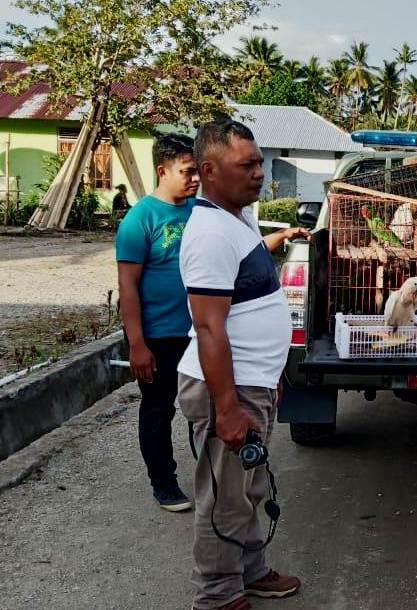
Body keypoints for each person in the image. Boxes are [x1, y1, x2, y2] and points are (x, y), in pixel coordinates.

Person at [177, 119, 310, 610]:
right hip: (224, 389)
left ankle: (250, 571)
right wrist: (227, 408)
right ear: (210, 171)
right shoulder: (210, 233)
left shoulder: (238, 218)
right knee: (224, 499)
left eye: (259, 163)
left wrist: (270, 374)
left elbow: (256, 303)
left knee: (248, 485)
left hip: (250, 383)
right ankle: (216, 596)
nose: (260, 174)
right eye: (247, 165)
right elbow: (210, 328)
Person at [115, 134, 199, 512]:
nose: (196, 178)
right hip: (159, 336)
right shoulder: (140, 220)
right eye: (188, 171)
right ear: (162, 171)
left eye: (197, 170)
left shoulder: (200, 210)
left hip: (200, 332)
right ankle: (163, 483)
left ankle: (215, 479)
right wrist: (137, 344)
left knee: (206, 407)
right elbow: (128, 288)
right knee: (158, 409)